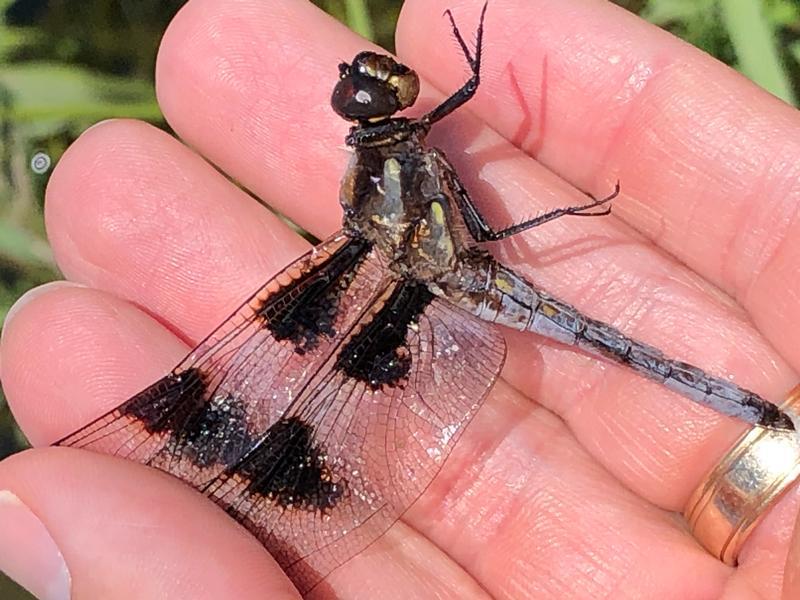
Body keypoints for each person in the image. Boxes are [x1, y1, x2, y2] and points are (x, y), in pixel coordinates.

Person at [2, 0, 800, 598]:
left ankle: (761, 413)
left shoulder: (397, 156)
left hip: (441, 275)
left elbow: (474, 211)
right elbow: (480, 216)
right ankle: (760, 411)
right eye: (364, 89)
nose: (365, 84)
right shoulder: (403, 158)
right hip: (448, 281)